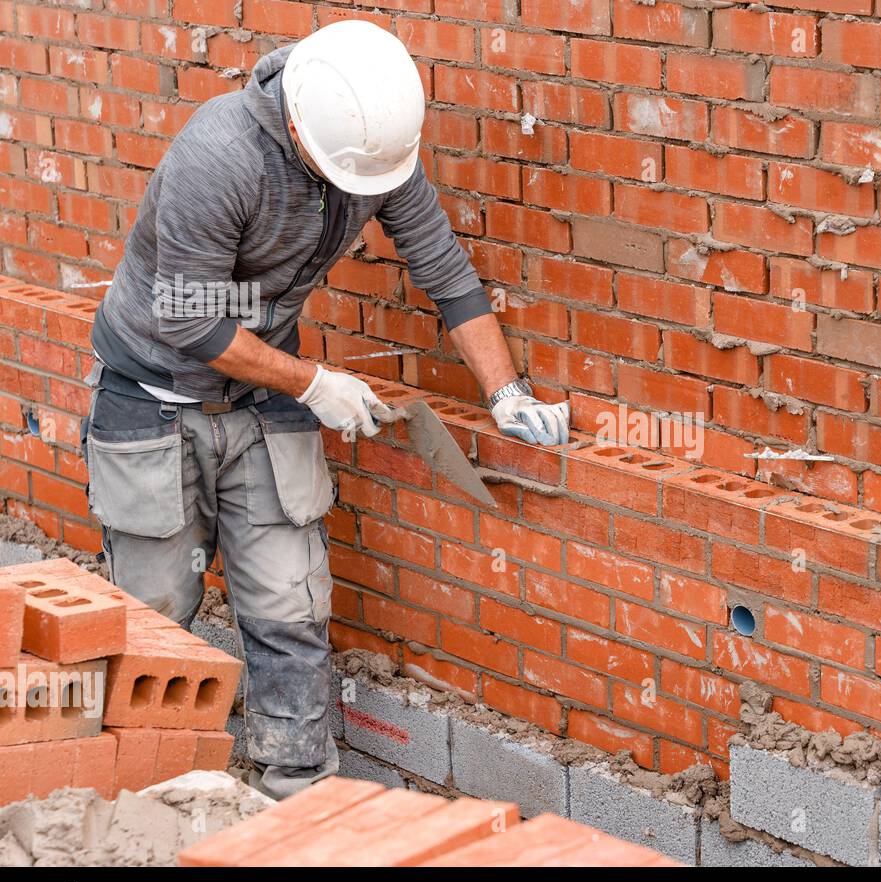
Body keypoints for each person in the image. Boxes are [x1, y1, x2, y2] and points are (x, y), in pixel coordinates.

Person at [82, 20, 569, 799]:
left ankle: (299, 798)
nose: (365, 194)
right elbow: (191, 321)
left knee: (290, 604)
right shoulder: (222, 156)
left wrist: (506, 392)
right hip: (154, 395)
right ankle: (144, 801)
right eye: (352, 179)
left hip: (264, 394)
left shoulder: (371, 152)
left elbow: (442, 267)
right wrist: (313, 383)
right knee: (156, 613)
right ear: (302, 130)